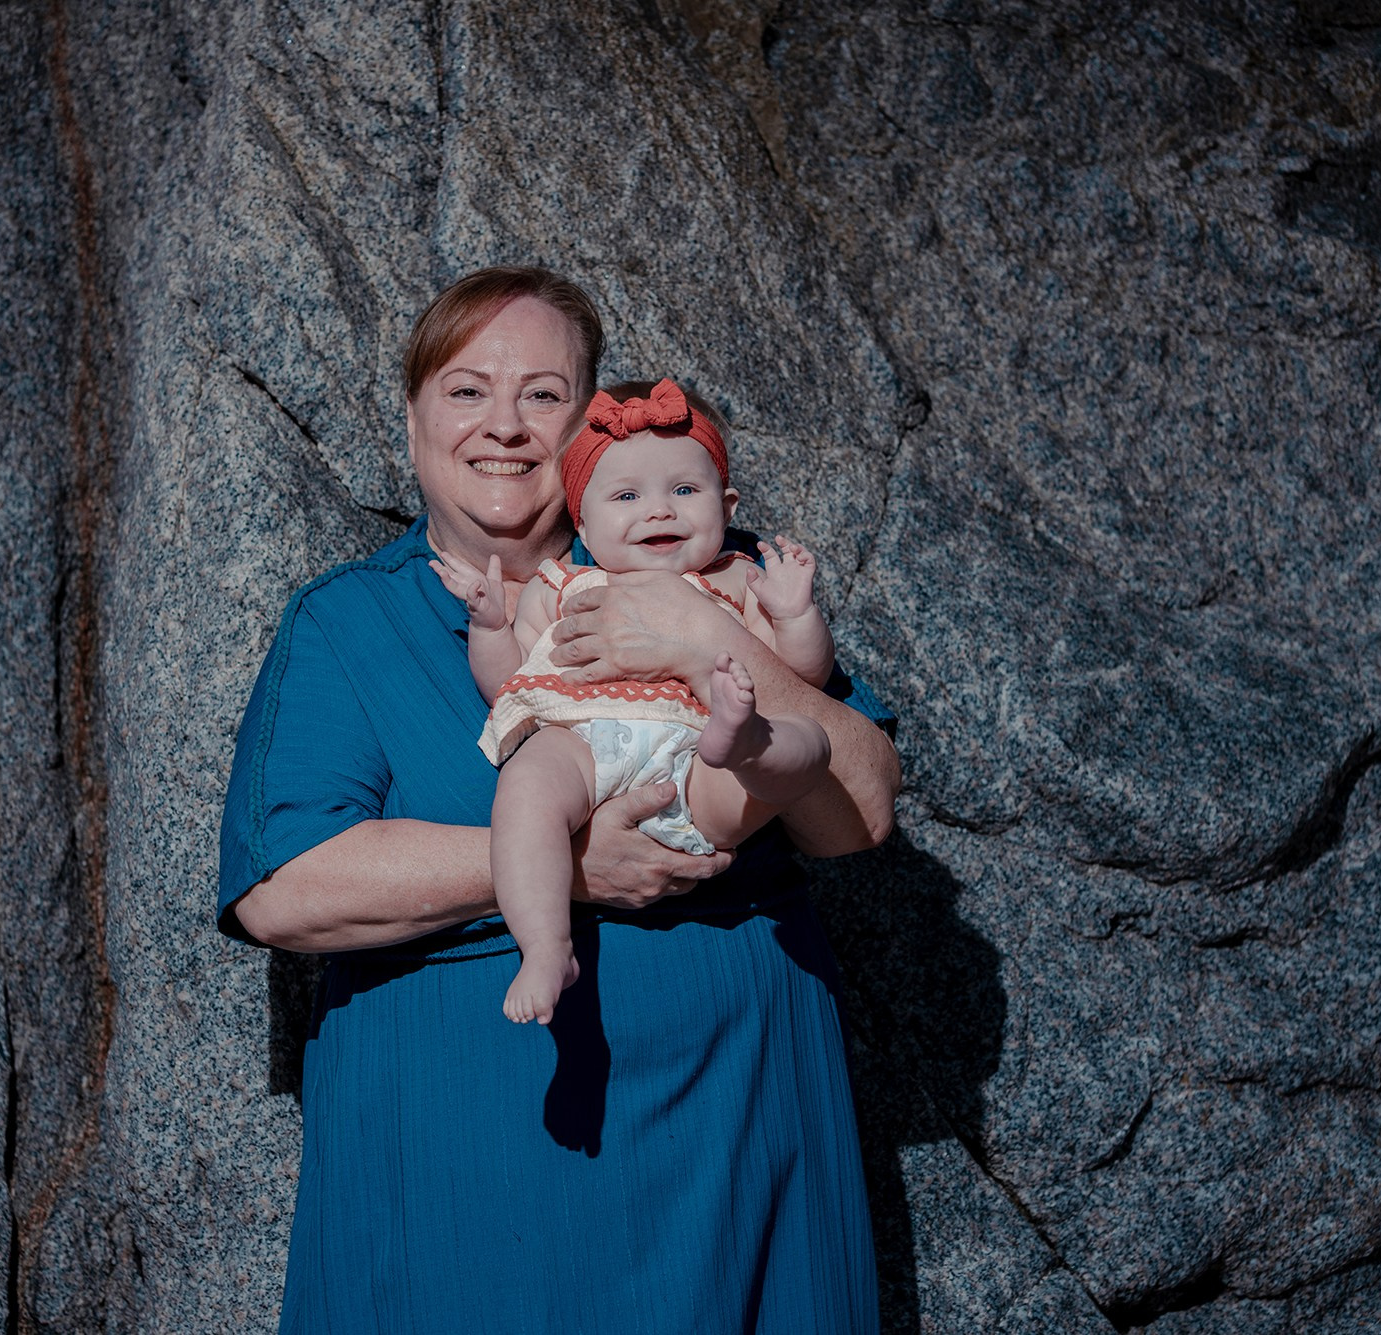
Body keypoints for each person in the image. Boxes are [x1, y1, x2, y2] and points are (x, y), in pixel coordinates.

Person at [218, 266, 900, 1334]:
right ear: (410, 424)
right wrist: (563, 870)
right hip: (466, 1172)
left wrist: (702, 639)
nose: (504, 425)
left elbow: (857, 812)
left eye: (542, 394)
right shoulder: (346, 625)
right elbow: (282, 891)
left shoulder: (724, 571)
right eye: (465, 391)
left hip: (740, 1122)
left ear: (589, 428)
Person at [432, 378, 836, 1025]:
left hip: (704, 757)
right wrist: (489, 626)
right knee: (526, 792)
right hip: (586, 745)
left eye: (684, 490)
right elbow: (509, 680)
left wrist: (795, 614)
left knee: (811, 741)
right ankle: (543, 945)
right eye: (627, 494)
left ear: (726, 504)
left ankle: (749, 739)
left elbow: (806, 672)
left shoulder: (739, 581)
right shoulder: (560, 585)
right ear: (583, 519)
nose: (659, 511)